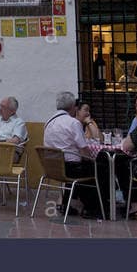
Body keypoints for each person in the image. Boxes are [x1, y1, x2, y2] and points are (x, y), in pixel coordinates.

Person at [43, 91, 104, 219]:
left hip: (52, 168)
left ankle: (65, 204)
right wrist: (92, 159)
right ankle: (92, 208)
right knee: (98, 168)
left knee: (83, 167)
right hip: (71, 169)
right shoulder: (73, 123)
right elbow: (83, 150)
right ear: (73, 107)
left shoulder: (48, 122)